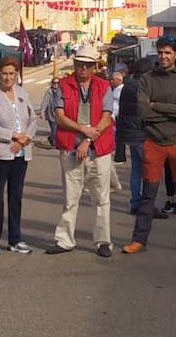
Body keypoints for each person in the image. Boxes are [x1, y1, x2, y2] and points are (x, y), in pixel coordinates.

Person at [124, 37, 176, 257]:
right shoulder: (147, 79)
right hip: (153, 141)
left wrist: (155, 107)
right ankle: (139, 239)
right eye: (160, 52)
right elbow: (142, 111)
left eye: (168, 52)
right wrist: (172, 108)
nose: (163, 56)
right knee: (147, 195)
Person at [48, 46, 116, 257]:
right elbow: (59, 116)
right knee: (71, 196)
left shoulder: (104, 86)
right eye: (79, 65)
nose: (83, 69)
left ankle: (103, 240)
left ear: (94, 66)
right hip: (70, 146)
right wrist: (81, 129)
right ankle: (65, 239)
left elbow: (106, 117)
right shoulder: (64, 86)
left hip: (98, 148)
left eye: (87, 65)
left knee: (101, 197)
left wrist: (87, 138)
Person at [0, 57, 36, 255]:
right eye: (5, 73)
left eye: (12, 73)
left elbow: (33, 119)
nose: (8, 77)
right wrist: (12, 136)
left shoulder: (22, 93)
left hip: (21, 152)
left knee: (16, 196)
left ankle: (15, 238)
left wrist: (24, 138)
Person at [117, 59, 146, 213]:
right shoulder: (142, 86)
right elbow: (146, 110)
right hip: (142, 133)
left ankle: (135, 202)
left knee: (136, 170)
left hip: (130, 133)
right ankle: (146, 204)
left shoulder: (127, 85)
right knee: (148, 171)